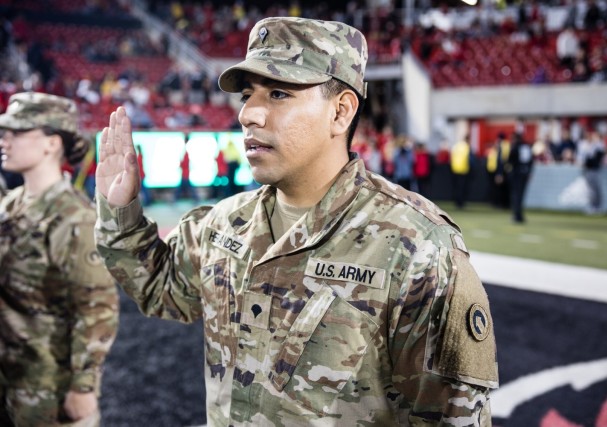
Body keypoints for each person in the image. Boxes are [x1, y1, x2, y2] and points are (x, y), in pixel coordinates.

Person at [94, 17, 498, 425]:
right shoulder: (225, 223)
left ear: (340, 112)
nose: (249, 114)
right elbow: (164, 289)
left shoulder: (418, 247)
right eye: (248, 95)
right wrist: (121, 211)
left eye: (279, 93)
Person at [0, 92, 119, 426]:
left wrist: (83, 387)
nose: (5, 140)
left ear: (51, 143)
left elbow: (96, 306)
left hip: (44, 391)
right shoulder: (11, 205)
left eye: (18, 132)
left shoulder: (73, 217)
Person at [506, 131, 533, 223]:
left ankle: (516, 215)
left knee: (516, 195)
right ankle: (520, 215)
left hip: (516, 174)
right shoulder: (526, 147)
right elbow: (530, 161)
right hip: (524, 173)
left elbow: (510, 160)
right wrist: (529, 172)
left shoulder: (515, 147)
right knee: (521, 195)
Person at [450, 134, 473, 209]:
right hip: (463, 169)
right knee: (462, 187)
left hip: (455, 168)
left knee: (457, 187)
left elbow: (451, 156)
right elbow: (470, 159)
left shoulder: (456, 146)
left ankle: (457, 202)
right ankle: (461, 203)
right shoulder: (466, 146)